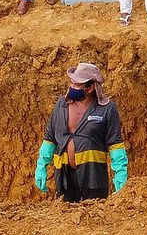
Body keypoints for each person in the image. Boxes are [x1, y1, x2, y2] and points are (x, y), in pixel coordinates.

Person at [35, 62, 127, 203]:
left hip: (93, 177)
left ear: (90, 88)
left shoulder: (107, 109)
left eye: (77, 84)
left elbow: (115, 143)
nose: (72, 87)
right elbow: (50, 137)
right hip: (65, 177)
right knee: (65, 214)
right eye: (71, 83)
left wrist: (120, 173)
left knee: (95, 212)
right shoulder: (61, 105)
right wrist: (42, 165)